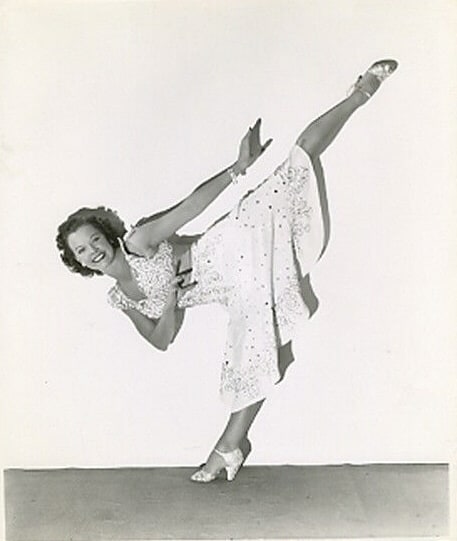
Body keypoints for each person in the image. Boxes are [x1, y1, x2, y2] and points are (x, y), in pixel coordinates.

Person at [56, 60, 398, 483]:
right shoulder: (119, 297)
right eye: (81, 252)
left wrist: (240, 168)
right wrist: (170, 302)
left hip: (231, 243)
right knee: (266, 349)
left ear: (106, 234)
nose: (92, 252)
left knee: (297, 160)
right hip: (228, 286)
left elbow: (190, 206)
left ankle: (359, 93)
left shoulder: (138, 242)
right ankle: (229, 447)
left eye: (93, 240)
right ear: (77, 262)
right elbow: (162, 339)